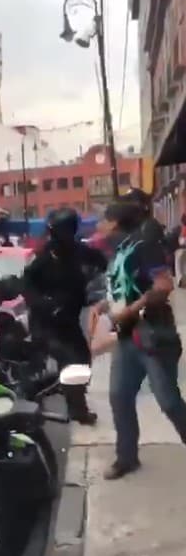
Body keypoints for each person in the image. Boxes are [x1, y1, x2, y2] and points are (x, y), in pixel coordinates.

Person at [100, 195, 186, 479]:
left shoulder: (144, 246)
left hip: (153, 335)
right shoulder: (119, 251)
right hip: (127, 339)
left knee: (169, 401)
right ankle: (127, 458)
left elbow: (164, 284)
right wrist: (108, 305)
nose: (99, 225)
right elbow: (125, 288)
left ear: (114, 222)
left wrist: (132, 310)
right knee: (119, 397)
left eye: (103, 219)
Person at [23, 208, 107, 424]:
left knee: (81, 361)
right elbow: (27, 286)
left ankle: (75, 404)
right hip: (45, 321)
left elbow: (104, 266)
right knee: (69, 361)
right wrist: (45, 304)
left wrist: (96, 288)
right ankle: (66, 406)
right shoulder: (42, 257)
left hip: (69, 320)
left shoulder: (82, 253)